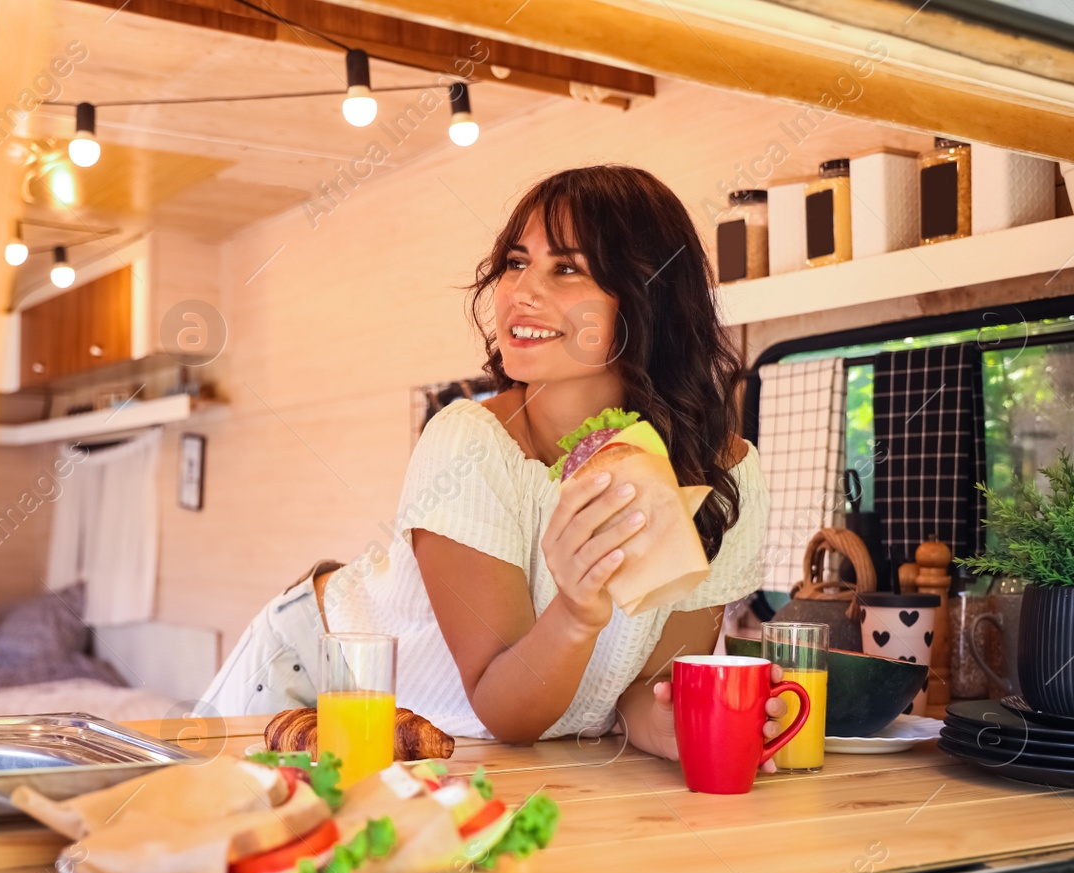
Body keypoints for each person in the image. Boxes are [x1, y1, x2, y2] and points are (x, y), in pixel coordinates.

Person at [201, 165, 785, 765]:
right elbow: (504, 708)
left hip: (461, 743)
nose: (520, 292)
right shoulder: (469, 443)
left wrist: (676, 726)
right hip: (315, 677)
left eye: (565, 268)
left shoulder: (723, 474)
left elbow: (642, 689)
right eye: (515, 262)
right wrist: (578, 610)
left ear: (647, 297)